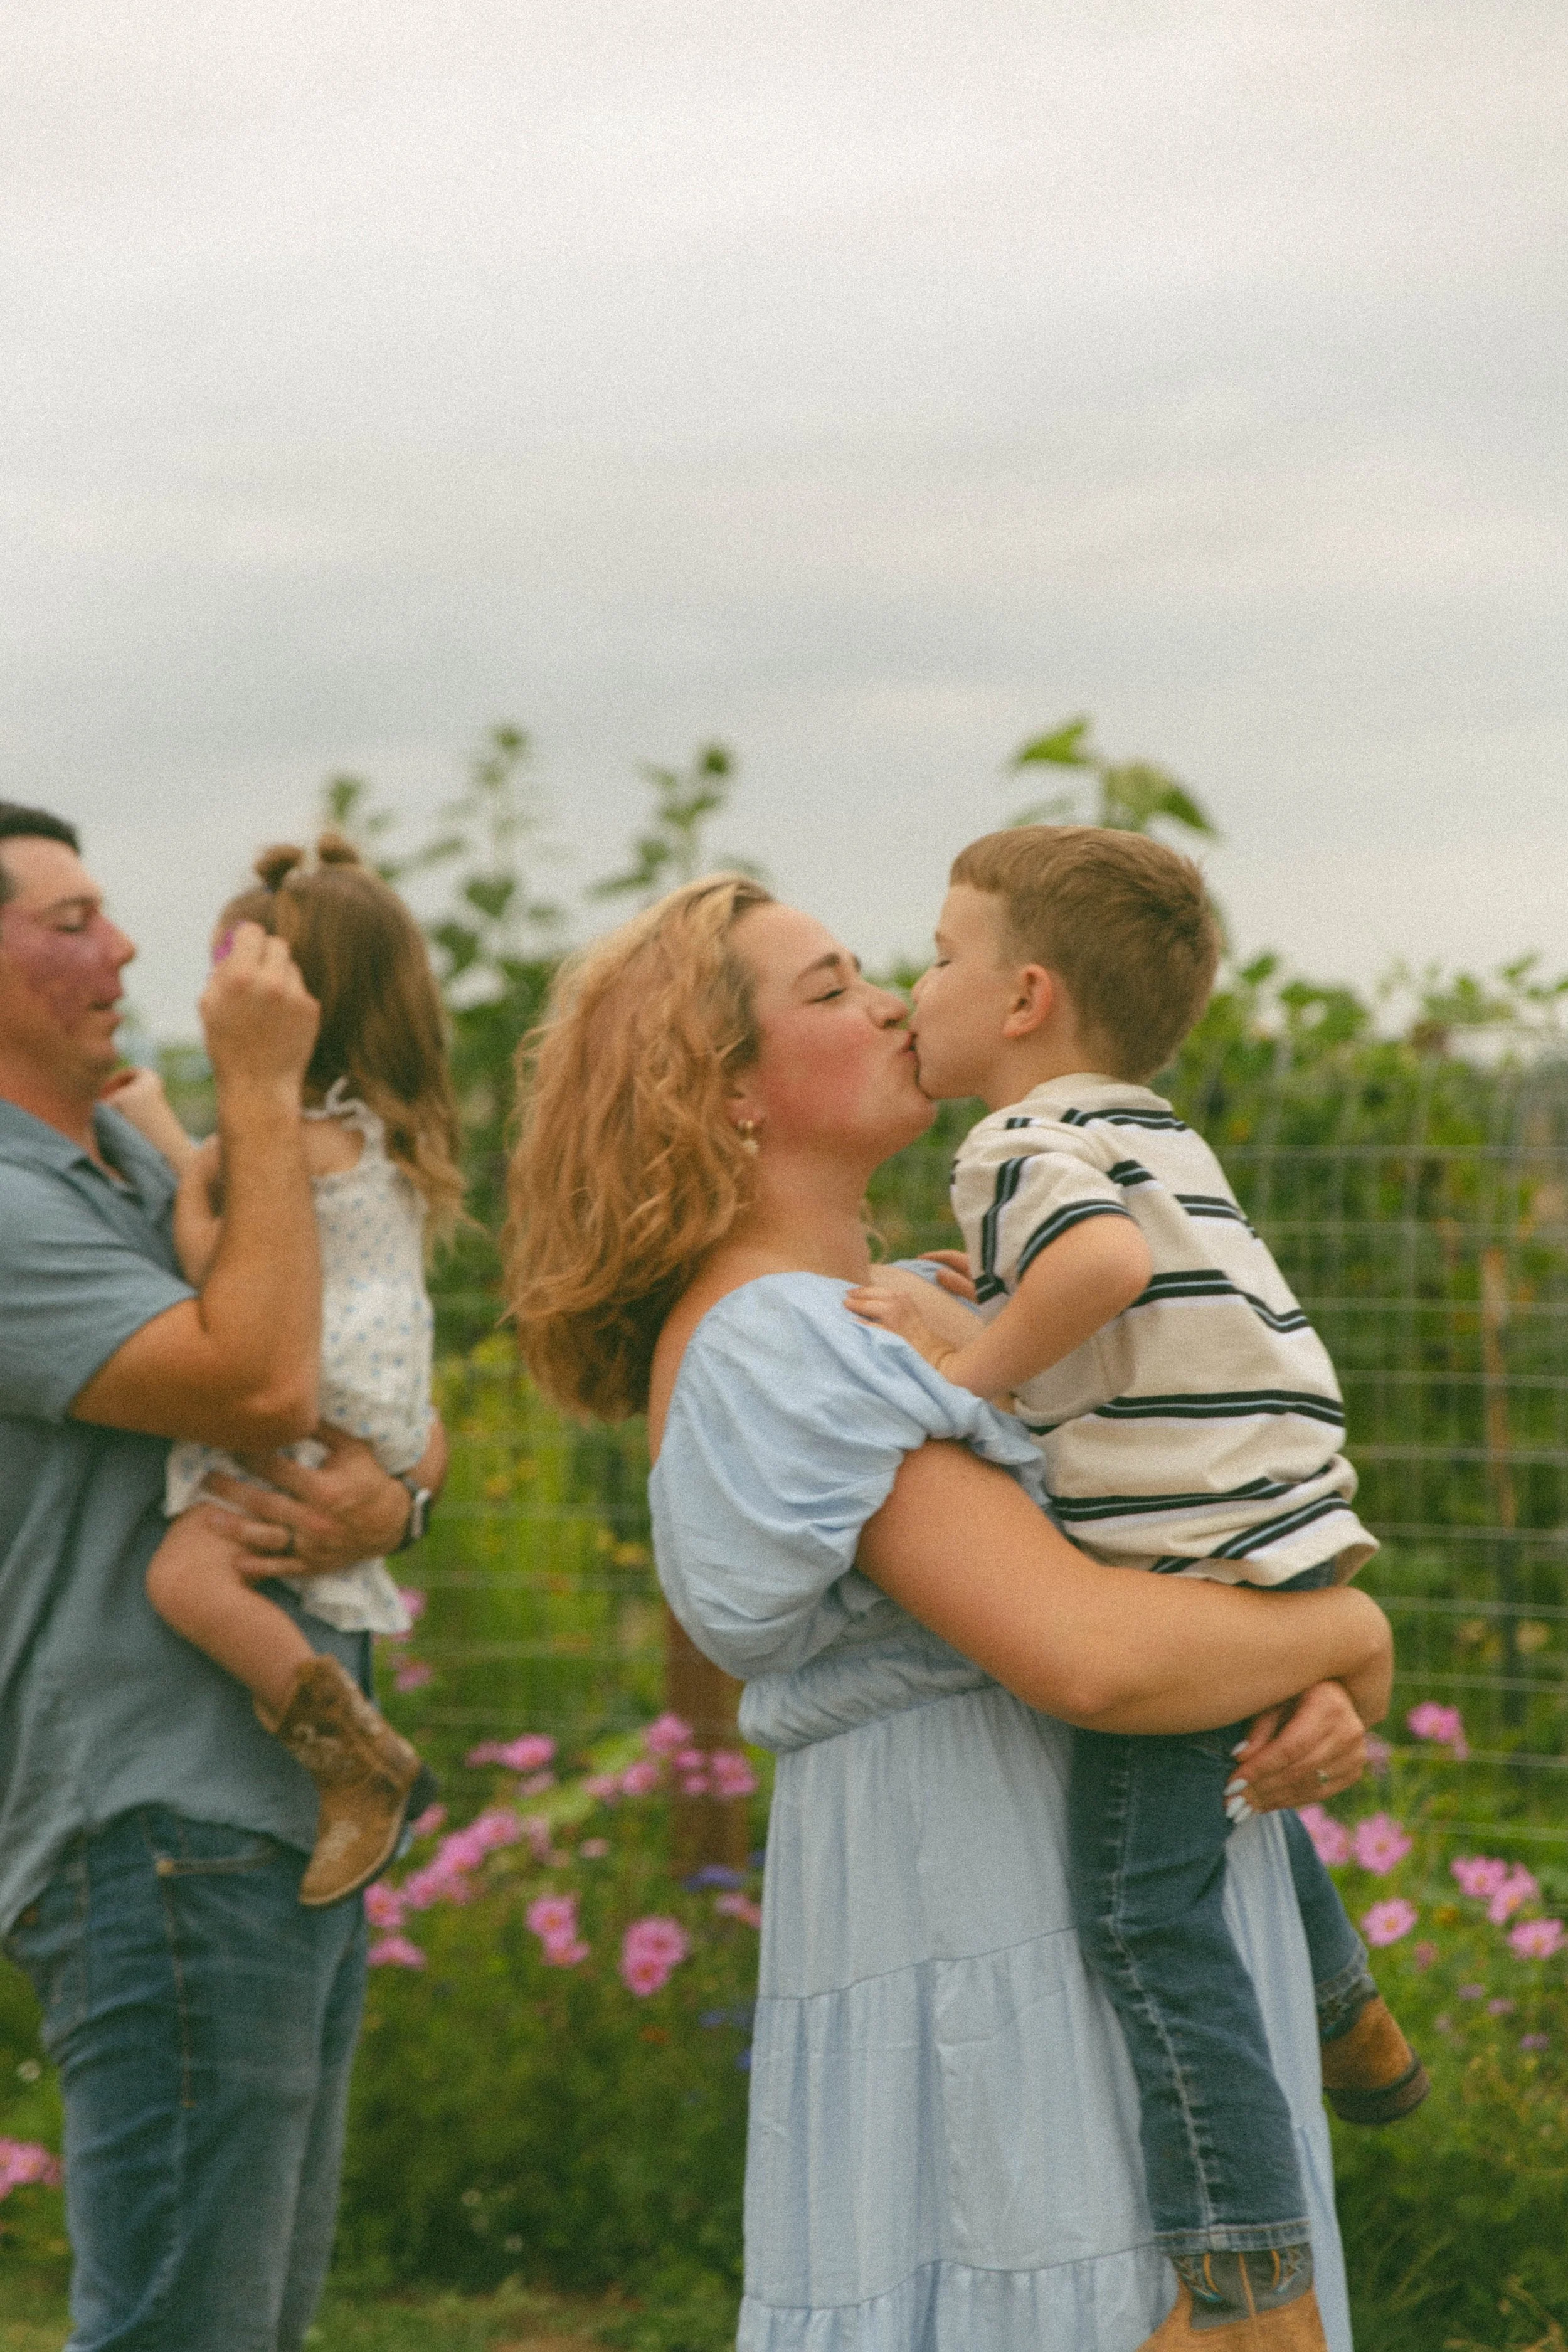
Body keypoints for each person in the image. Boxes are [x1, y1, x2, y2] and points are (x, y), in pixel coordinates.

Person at [504, 874, 1394, 2352]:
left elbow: (1150, 1576)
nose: (891, 1004)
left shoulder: (916, 1302)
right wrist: (1346, 1644)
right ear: (726, 1090)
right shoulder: (786, 1346)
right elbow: (1093, 1657)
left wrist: (1272, 1681)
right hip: (1001, 1948)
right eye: (831, 986)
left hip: (1105, 1924)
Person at [845, 826, 1429, 2332]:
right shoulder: (1149, 1131)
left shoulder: (1015, 1144)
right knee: (1214, 1804)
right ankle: (1346, 2010)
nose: (916, 985)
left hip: (1180, 1548)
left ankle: (1247, 2283)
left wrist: (964, 1368)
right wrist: (965, 1303)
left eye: (938, 954)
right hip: (1271, 1525)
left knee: (1140, 1913)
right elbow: (1121, 1298)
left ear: (1025, 995)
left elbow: (1092, 1274)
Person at [0, 802, 443, 2352]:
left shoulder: (124, 1148)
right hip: (152, 1830)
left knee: (246, 2325)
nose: (121, 949)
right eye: (69, 921)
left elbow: (357, 1355)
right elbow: (260, 1383)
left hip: (265, 1822)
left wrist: (401, 1491)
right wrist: (259, 1085)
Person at [107, 832, 461, 1907]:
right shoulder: (369, 1137)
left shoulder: (286, 1139)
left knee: (187, 1574)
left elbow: (226, 1268)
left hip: (313, 1384)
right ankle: (317, 1718)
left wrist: (183, 1200)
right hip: (382, 1400)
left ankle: (355, 1759)